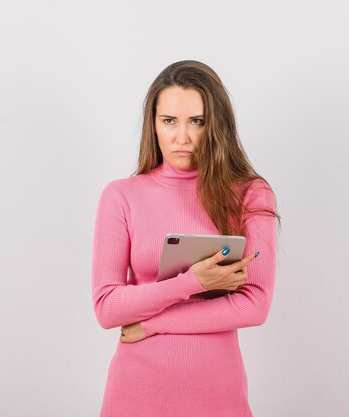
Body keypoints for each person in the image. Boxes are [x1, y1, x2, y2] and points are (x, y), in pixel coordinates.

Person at [91, 60, 280, 417]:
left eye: (197, 121)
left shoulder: (250, 194)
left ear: (216, 125)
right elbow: (106, 307)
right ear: (153, 124)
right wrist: (192, 282)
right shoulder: (121, 196)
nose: (182, 137)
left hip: (217, 395)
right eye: (169, 122)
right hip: (135, 394)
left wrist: (151, 323)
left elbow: (255, 305)